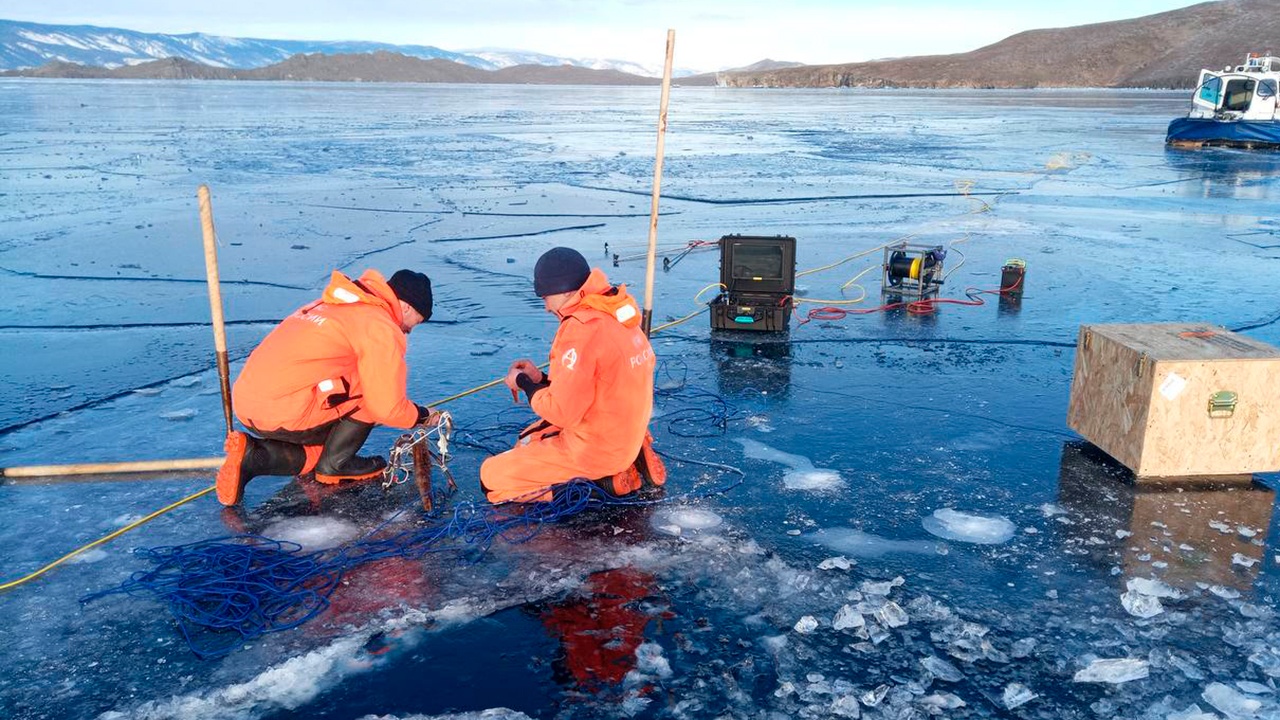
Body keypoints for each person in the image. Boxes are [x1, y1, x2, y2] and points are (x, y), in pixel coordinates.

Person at [217, 268, 441, 506]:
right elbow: (386, 407)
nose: (407, 331)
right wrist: (422, 415)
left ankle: (254, 456)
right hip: (285, 410)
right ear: (406, 306)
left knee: (321, 442)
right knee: (372, 390)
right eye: (412, 324)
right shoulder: (380, 325)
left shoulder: (334, 304)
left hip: (249, 404)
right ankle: (336, 464)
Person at [480, 247, 665, 503]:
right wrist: (540, 380)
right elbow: (593, 381)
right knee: (529, 437)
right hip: (624, 432)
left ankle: (601, 483)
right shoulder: (618, 312)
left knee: (490, 479)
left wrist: (522, 382)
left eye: (545, 297)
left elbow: (561, 411)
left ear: (565, 291)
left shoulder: (581, 329)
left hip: (597, 449)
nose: (545, 307)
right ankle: (628, 456)